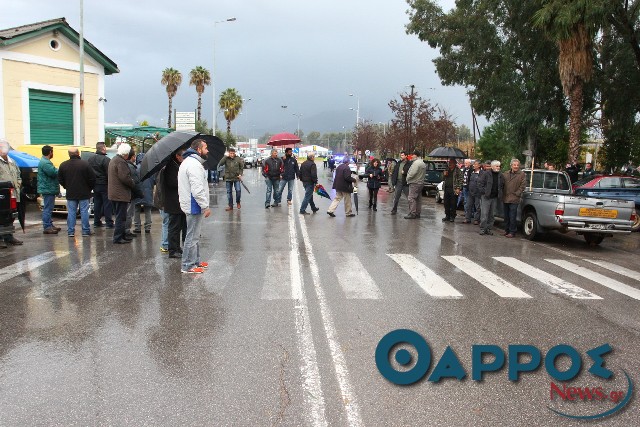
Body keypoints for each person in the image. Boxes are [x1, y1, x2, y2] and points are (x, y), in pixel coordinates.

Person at [178, 139, 211, 274]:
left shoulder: (191, 162)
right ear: (199, 150)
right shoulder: (194, 165)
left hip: (193, 204)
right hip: (194, 205)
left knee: (195, 236)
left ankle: (195, 261)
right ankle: (187, 265)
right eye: (205, 148)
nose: (207, 151)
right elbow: (197, 189)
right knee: (191, 236)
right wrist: (205, 206)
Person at [58, 147, 96, 238]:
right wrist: (89, 188)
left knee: (71, 212)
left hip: (71, 192)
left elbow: (60, 179)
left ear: (69, 154)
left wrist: (66, 186)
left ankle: (70, 231)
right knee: (84, 211)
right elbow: (92, 178)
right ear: (78, 153)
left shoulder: (63, 165)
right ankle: (85, 231)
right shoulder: (85, 164)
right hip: (84, 192)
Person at [108, 143, 136, 244]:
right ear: (126, 153)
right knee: (121, 217)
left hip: (114, 193)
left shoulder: (114, 160)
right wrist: (132, 182)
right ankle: (118, 237)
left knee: (119, 216)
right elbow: (125, 177)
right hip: (120, 194)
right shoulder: (121, 162)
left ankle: (122, 235)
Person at [163, 149, 187, 259]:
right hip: (173, 202)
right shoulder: (170, 166)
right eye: (183, 155)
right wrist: (183, 181)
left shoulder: (177, 165)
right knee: (174, 227)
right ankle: (172, 250)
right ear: (177, 156)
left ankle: (177, 247)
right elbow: (172, 183)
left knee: (179, 227)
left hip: (178, 202)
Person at [0, 138, 23, 248]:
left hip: (13, 194)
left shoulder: (12, 162)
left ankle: (9, 237)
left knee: (11, 216)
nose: (3, 150)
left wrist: (18, 184)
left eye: (5, 148)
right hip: (2, 195)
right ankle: (0, 239)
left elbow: (18, 175)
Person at [88, 142, 114, 228]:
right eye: (105, 147)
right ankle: (109, 222)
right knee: (107, 204)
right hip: (105, 184)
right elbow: (109, 173)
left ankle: (96, 222)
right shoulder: (106, 160)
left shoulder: (90, 159)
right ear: (103, 148)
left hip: (95, 184)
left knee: (97, 203)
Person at [37, 145, 61, 234]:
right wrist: (60, 170)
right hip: (48, 189)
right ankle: (47, 226)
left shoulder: (45, 161)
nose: (52, 153)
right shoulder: (46, 163)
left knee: (49, 208)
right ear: (50, 152)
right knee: (48, 208)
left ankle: (50, 224)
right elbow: (53, 172)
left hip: (48, 188)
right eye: (52, 151)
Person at [477, 160, 504, 235]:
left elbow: (502, 185)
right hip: (486, 197)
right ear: (492, 167)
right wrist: (484, 192)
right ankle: (482, 229)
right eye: (496, 166)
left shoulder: (500, 175)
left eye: (499, 166)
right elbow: (479, 184)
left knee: (492, 215)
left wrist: (500, 193)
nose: (498, 168)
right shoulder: (486, 174)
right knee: (484, 214)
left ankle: (488, 229)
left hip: (494, 198)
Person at [502, 158, 526, 238]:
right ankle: (507, 230)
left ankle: (512, 231)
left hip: (514, 198)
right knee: (506, 216)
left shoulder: (522, 174)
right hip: (505, 197)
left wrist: (517, 193)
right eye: (514, 165)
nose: (516, 166)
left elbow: (523, 186)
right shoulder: (505, 173)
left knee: (512, 216)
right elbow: (502, 184)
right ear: (511, 165)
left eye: (517, 165)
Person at [124, 148, 142, 239]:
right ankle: (126, 231)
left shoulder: (125, 165)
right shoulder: (131, 167)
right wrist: (140, 193)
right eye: (134, 156)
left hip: (126, 194)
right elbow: (135, 182)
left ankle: (125, 230)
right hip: (131, 195)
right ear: (132, 157)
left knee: (127, 213)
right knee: (129, 214)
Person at [134, 153, 154, 233]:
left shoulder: (135, 169)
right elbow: (154, 180)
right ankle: (147, 227)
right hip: (148, 192)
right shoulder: (150, 169)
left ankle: (137, 227)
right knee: (148, 210)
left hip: (137, 192)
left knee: (136, 210)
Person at [404, 150, 427, 219]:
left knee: (411, 198)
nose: (412, 156)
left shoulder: (416, 163)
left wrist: (407, 178)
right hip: (421, 182)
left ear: (416, 155)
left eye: (413, 155)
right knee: (418, 199)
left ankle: (412, 213)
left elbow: (412, 173)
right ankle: (417, 213)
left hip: (414, 182)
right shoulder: (422, 163)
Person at [442, 158, 463, 222]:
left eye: (451, 163)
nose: (450, 164)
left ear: (454, 163)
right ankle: (447, 215)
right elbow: (442, 179)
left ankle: (452, 216)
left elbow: (461, 180)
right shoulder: (447, 169)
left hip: (454, 189)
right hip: (446, 188)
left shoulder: (458, 171)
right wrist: (444, 175)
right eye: (449, 163)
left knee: (453, 203)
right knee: (446, 203)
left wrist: (458, 188)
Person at [465, 160, 482, 225]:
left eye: (475, 164)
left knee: (478, 207)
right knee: (468, 206)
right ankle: (467, 218)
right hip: (470, 192)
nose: (474, 165)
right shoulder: (472, 172)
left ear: (479, 165)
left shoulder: (481, 173)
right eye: (474, 164)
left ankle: (476, 219)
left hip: (478, 193)